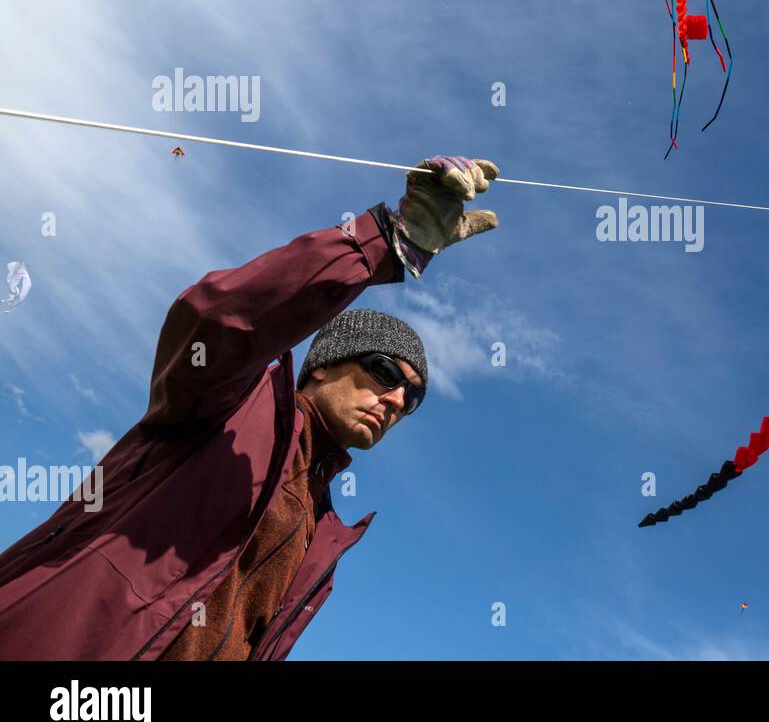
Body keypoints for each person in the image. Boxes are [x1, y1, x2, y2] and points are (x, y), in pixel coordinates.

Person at [0, 155, 499, 660]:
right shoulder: (227, 407)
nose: (395, 401)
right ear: (322, 366)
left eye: (410, 399)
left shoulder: (321, 533)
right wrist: (387, 242)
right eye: (386, 373)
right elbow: (222, 317)